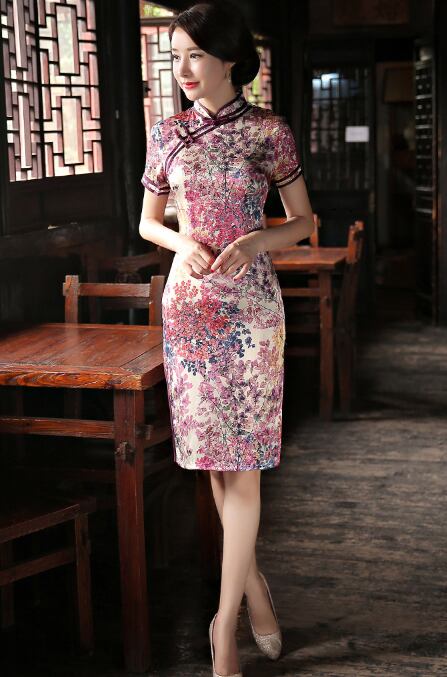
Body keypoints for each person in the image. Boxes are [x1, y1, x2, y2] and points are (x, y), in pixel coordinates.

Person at [139, 3, 314, 675]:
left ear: (230, 59)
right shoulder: (168, 133)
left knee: (244, 463)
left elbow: (303, 221)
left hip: (250, 311)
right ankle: (254, 592)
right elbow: (147, 222)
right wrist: (180, 241)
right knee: (215, 462)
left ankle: (222, 627)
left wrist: (255, 240)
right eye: (175, 56)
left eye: (195, 54)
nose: (182, 69)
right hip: (189, 310)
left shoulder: (269, 132)